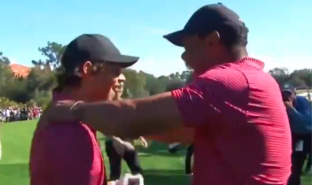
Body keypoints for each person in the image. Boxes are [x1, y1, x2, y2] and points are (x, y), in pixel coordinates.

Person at [43, 3, 292, 185]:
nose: (184, 56)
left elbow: (132, 119)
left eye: (187, 46)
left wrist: (74, 110)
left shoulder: (228, 81)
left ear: (212, 41)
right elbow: (180, 131)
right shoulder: (254, 78)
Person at [29, 34, 139, 185]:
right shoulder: (70, 131)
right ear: (87, 70)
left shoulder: (69, 115)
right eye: (115, 71)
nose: (122, 78)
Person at [105, 74, 147, 184]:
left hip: (127, 143)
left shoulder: (124, 104)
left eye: (121, 87)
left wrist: (140, 136)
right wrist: (118, 142)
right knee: (115, 176)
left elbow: (131, 123)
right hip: (114, 145)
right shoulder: (107, 105)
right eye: (117, 87)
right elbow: (107, 129)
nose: (119, 89)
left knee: (138, 173)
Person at [282, 86, 312, 185]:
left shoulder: (301, 102)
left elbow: (305, 124)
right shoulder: (280, 103)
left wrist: (291, 109)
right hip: (292, 136)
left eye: (289, 94)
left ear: (294, 94)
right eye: (284, 94)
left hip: (305, 136)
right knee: (289, 166)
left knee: (296, 166)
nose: (287, 97)